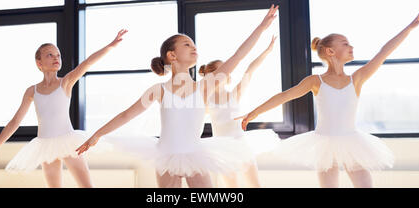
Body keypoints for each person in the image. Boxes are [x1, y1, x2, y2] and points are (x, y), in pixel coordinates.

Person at [76, 5, 279, 188]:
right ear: (172, 55)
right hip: (166, 154)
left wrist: (262, 27)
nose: (194, 47)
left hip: (195, 154)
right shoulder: (159, 90)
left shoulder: (205, 86)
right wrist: (97, 134)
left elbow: (238, 56)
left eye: (193, 44)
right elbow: (126, 115)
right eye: (187, 45)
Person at [238, 13, 419, 188]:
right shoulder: (316, 81)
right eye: (345, 43)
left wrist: (410, 27)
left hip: (352, 142)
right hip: (324, 144)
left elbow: (384, 52)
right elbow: (284, 96)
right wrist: (253, 113)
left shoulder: (356, 79)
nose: (351, 46)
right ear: (331, 51)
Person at [0, 29, 128, 188]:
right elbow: (15, 122)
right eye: (50, 55)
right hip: (45, 145)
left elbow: (87, 63)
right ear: (39, 63)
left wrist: (111, 46)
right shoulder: (32, 91)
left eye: (58, 55)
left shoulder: (65, 82)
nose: (56, 58)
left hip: (69, 141)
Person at [198, 35, 280, 187]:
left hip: (241, 144)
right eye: (224, 69)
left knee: (255, 185)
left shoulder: (234, 95)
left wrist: (267, 51)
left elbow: (250, 70)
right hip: (221, 148)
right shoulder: (205, 100)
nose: (229, 71)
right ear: (212, 74)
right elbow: (193, 121)